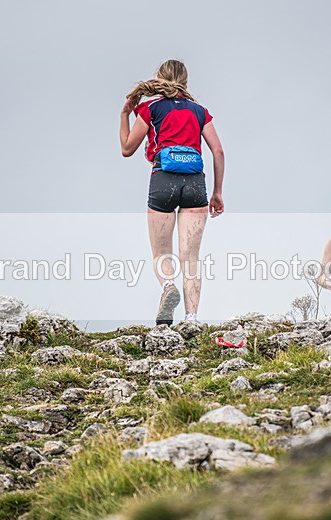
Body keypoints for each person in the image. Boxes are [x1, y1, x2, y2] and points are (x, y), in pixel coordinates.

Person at [119, 59, 225, 325]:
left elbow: (127, 148)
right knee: (191, 258)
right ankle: (191, 318)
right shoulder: (200, 111)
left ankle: (168, 286)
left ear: (160, 78)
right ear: (186, 82)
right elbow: (218, 151)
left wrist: (124, 116)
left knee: (161, 253)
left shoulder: (150, 108)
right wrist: (217, 192)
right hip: (195, 184)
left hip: (162, 180)